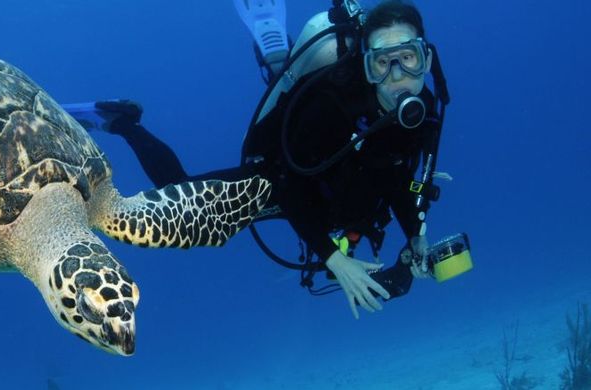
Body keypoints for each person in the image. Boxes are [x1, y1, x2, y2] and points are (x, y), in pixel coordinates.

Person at [64, 0, 456, 319]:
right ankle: (123, 123)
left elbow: (397, 174)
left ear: (426, 56)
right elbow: (290, 185)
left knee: (290, 91)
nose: (398, 77)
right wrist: (335, 259)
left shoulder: (422, 111)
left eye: (409, 58)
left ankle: (279, 63)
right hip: (283, 174)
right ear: (366, 65)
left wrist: (415, 235)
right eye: (382, 63)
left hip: (335, 187)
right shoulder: (331, 107)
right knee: (179, 202)